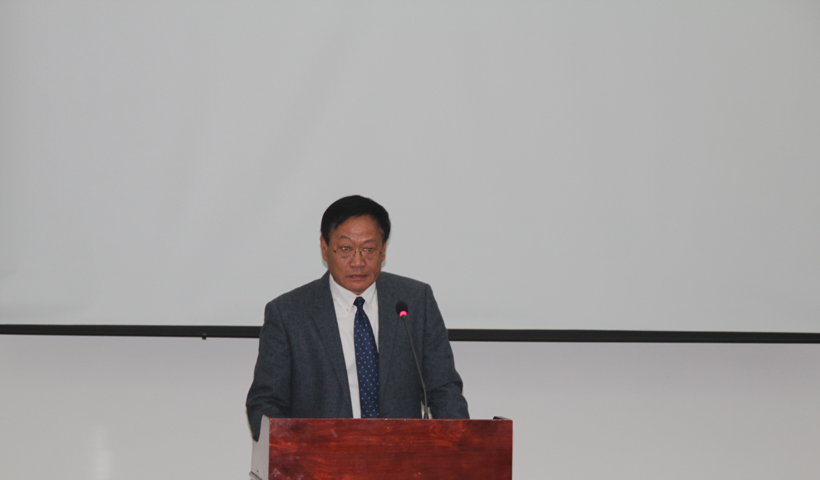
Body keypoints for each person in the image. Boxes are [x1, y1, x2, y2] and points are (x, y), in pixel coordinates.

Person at [246, 195, 469, 440]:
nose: (358, 261)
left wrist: (461, 445)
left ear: (383, 250)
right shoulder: (288, 313)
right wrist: (294, 451)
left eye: (369, 249)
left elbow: (444, 389)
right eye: (345, 249)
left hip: (402, 455)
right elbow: (265, 402)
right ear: (324, 247)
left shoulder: (415, 301)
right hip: (321, 457)